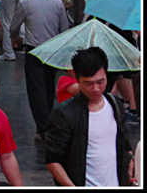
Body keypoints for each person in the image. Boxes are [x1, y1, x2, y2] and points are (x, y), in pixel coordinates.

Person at [44, 47, 135, 186]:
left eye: (100, 82)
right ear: (77, 79)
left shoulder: (115, 105)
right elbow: (52, 160)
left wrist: (129, 169)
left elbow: (124, 143)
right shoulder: (65, 114)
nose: (96, 89)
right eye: (88, 83)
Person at [9, 0, 69, 139]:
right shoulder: (57, 3)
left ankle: (42, 126)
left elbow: (14, 27)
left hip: (34, 49)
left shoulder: (25, 3)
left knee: (36, 89)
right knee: (49, 86)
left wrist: (16, 39)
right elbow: (63, 29)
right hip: (52, 49)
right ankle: (48, 120)